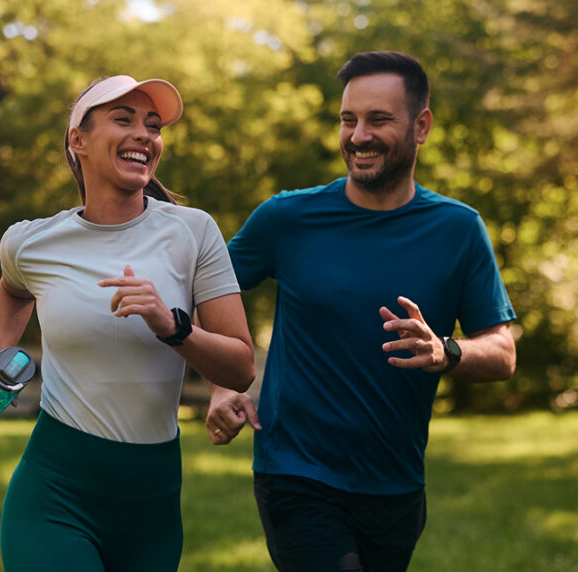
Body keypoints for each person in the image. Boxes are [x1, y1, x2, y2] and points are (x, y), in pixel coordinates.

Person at [205, 52, 518, 572]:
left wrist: (446, 350)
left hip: (395, 485)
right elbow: (209, 293)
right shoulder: (286, 218)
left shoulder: (458, 229)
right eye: (348, 120)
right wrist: (223, 381)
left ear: (421, 127)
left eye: (378, 119)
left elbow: (503, 352)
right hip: (296, 473)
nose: (358, 135)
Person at [0, 75, 255, 572]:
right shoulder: (32, 243)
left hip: (153, 504)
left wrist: (172, 325)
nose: (145, 135)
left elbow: (241, 367)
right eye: (124, 119)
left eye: (153, 126)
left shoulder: (194, 232)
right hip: (55, 494)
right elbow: (12, 290)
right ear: (78, 141)